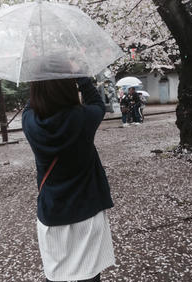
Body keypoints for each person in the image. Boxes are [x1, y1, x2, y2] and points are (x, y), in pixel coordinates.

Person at [22, 77, 115, 282]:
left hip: (52, 213)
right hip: (87, 210)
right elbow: (97, 103)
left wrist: (39, 75)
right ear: (69, 87)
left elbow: (32, 103)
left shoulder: (29, 122)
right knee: (89, 275)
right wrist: (80, 75)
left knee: (56, 275)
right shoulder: (84, 118)